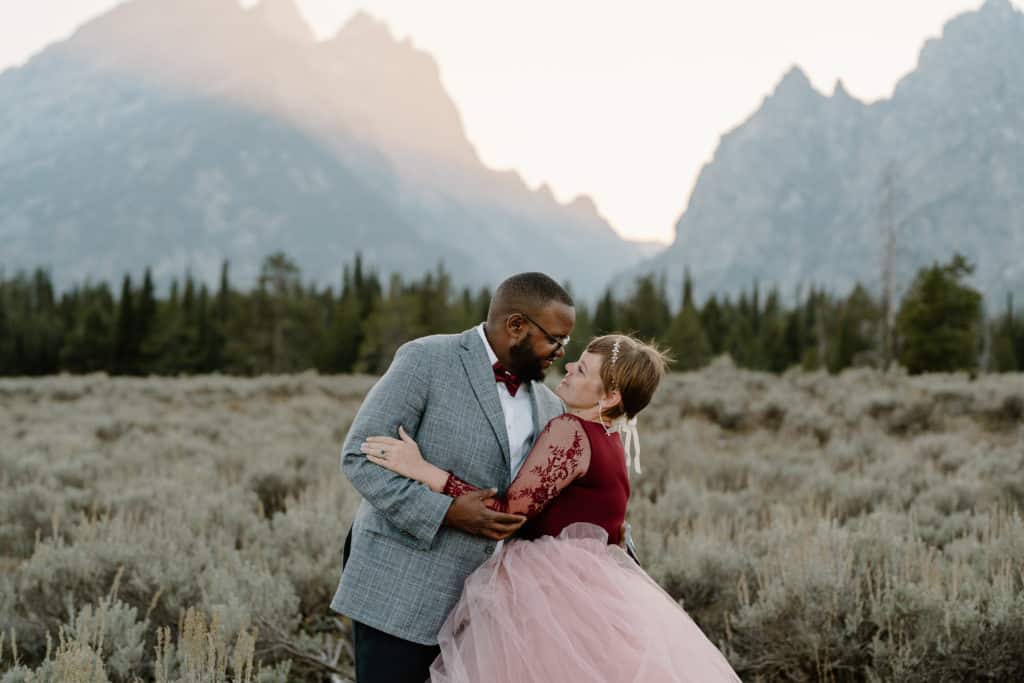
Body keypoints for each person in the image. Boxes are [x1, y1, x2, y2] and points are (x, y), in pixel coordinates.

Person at [362, 334, 742, 682]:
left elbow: (506, 512)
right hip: (594, 592)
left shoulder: (570, 431)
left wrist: (422, 470)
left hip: (548, 593)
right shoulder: (610, 439)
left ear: (608, 398)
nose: (569, 368)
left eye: (582, 370)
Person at [329, 272, 575, 683]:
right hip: (400, 590)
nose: (560, 352)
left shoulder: (549, 404)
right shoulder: (426, 359)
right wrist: (446, 512)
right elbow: (360, 455)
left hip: (486, 609)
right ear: (516, 325)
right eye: (555, 339)